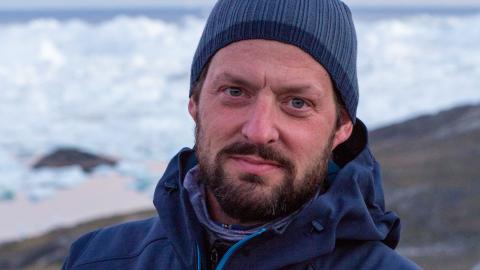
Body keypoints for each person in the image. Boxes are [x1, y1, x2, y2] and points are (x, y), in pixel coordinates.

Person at [62, 0, 421, 269]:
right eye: (235, 91)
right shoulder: (97, 259)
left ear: (341, 128)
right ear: (195, 102)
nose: (259, 130)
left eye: (297, 102)